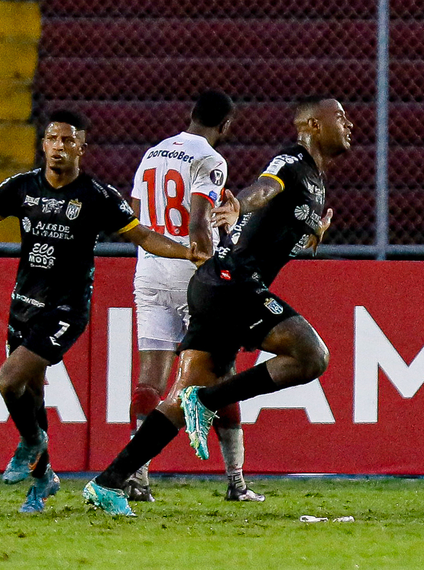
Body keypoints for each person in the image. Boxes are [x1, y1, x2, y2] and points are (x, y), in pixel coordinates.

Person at [0, 110, 208, 514]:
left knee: (7, 381)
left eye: (69, 140)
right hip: (24, 304)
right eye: (53, 139)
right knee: (31, 398)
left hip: (66, 309)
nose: (60, 146)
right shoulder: (21, 188)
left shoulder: (97, 196)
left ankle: (32, 445)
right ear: (43, 144)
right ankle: (43, 481)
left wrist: (188, 253)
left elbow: (142, 236)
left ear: (82, 148)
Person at [82, 97, 353, 516]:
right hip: (231, 282)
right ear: (313, 125)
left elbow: (275, 236)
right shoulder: (291, 161)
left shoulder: (317, 184)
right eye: (340, 116)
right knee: (310, 355)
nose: (349, 123)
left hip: (216, 285)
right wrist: (238, 203)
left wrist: (310, 241)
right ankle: (206, 403)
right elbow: (263, 188)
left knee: (182, 391)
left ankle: (109, 482)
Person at [126, 90, 264, 503]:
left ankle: (137, 479)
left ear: (190, 115)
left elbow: (133, 212)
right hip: (191, 274)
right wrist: (216, 250)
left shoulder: (152, 153)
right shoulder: (211, 160)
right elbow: (198, 220)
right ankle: (236, 482)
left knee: (150, 377)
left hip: (148, 270)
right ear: (226, 126)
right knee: (220, 374)